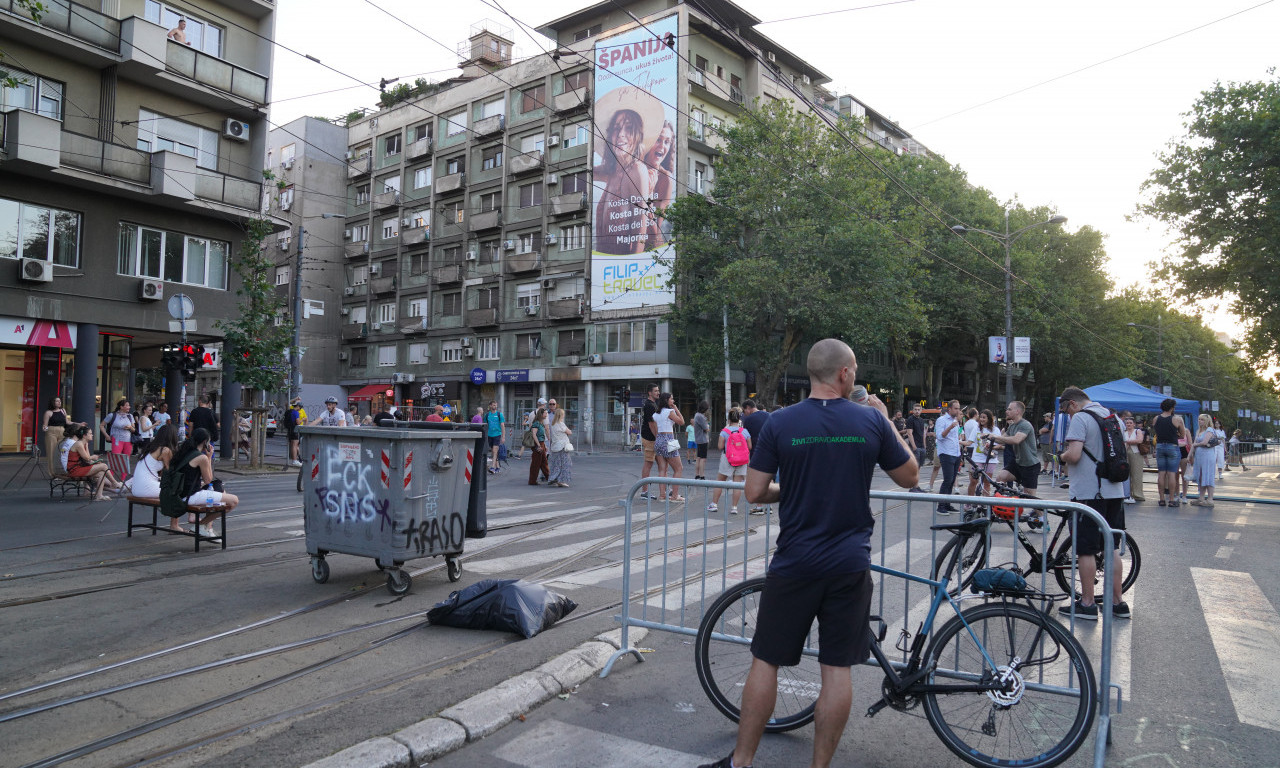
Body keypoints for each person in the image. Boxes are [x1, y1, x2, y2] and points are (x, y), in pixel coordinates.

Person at [698, 339, 917, 768]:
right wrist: (885, 420)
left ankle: (741, 762)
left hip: (795, 560)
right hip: (849, 564)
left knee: (766, 661)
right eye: (853, 369)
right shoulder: (869, 421)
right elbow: (910, 476)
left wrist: (790, 489)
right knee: (837, 670)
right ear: (844, 374)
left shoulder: (781, 423)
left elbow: (756, 491)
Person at [1057, 387, 1129, 620]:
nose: (1067, 415)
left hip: (1089, 493)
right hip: (1114, 491)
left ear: (1073, 404)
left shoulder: (1080, 418)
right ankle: (1117, 603)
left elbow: (1075, 454)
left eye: (1066, 410)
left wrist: (1062, 456)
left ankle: (1087, 603)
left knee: (1085, 549)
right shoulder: (1113, 417)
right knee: (1111, 547)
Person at [594, 105, 653, 255]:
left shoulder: (637, 170)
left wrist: (634, 268)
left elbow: (640, 230)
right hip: (603, 269)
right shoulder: (612, 171)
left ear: (637, 135)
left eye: (628, 128)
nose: (621, 134)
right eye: (616, 128)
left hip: (625, 269)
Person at [174, 427, 239, 538]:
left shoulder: (184, 453)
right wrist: (209, 457)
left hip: (181, 495)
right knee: (233, 501)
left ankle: (205, 527)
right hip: (192, 496)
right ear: (205, 442)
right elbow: (209, 479)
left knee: (218, 500)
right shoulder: (201, 457)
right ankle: (201, 525)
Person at [130, 424, 185, 532]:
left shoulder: (151, 447)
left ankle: (176, 524)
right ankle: (174, 525)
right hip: (145, 488)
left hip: (136, 487)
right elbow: (170, 472)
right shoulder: (165, 450)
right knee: (178, 492)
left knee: (173, 489)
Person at [990, 401, 1041, 498]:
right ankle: (1002, 506)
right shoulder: (1012, 426)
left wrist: (995, 437)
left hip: (1030, 465)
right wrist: (989, 438)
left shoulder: (1025, 425)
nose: (1006, 411)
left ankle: (1040, 513)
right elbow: (1001, 439)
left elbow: (1017, 440)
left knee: (1030, 496)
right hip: (1018, 463)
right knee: (1000, 478)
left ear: (1017, 411)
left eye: (1009, 409)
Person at [707, 408, 751, 513]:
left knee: (720, 482)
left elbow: (720, 446)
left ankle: (714, 504)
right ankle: (734, 508)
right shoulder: (744, 431)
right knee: (737, 484)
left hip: (727, 459)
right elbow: (749, 446)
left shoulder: (724, 432)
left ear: (728, 420)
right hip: (742, 460)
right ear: (739, 419)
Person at [65, 425, 125, 500]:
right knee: (103, 466)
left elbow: (88, 460)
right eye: (90, 433)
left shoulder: (84, 443)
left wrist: (95, 462)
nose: (92, 435)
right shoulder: (79, 444)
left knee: (102, 473)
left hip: (79, 468)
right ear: (84, 435)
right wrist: (93, 457)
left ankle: (99, 496)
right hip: (74, 470)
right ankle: (114, 483)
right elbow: (87, 458)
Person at [652, 392, 686, 501]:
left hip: (659, 440)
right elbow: (681, 422)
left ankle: (662, 495)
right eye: (672, 399)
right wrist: (676, 409)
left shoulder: (656, 414)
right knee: (678, 468)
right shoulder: (669, 412)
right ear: (666, 400)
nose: (673, 401)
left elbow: (657, 429)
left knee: (662, 469)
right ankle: (675, 495)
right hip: (668, 440)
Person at [740, 399, 771, 514]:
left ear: (748, 407)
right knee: (769, 478)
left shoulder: (748, 420)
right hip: (770, 450)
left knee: (757, 478)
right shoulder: (769, 415)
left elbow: (746, 438)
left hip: (756, 451)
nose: (744, 413)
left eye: (744, 411)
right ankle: (769, 506)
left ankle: (759, 507)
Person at [933, 400, 963, 514]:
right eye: (956, 408)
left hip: (955, 453)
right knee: (948, 480)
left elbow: (954, 438)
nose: (958, 410)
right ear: (949, 409)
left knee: (951, 481)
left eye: (959, 408)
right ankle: (941, 506)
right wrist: (950, 426)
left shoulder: (956, 421)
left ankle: (947, 504)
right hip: (946, 453)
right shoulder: (942, 420)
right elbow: (940, 436)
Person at [965, 409, 1000, 500]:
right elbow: (969, 442)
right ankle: (969, 502)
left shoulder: (995, 430)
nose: (982, 419)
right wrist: (958, 442)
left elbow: (1000, 444)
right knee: (973, 481)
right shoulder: (976, 428)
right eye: (980, 417)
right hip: (977, 459)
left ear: (989, 419)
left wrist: (991, 447)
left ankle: (985, 505)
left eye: (984, 417)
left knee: (987, 482)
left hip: (990, 459)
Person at [1151, 398, 1181, 506]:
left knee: (1161, 473)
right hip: (1172, 446)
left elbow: (1157, 432)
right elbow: (1182, 435)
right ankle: (1172, 499)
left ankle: (1162, 499)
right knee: (1172, 473)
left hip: (1159, 446)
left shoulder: (1156, 419)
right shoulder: (1177, 419)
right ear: (1172, 408)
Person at [102, 398, 137, 476]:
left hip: (128, 441)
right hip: (117, 439)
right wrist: (107, 436)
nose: (129, 407)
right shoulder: (112, 415)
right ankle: (110, 480)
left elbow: (134, 430)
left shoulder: (130, 416)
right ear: (121, 407)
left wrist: (130, 428)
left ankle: (122, 481)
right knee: (115, 459)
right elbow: (101, 425)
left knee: (126, 460)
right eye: (127, 405)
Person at [1190, 413, 1217, 507]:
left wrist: (1196, 445)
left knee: (1208, 476)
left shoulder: (1209, 430)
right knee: (1201, 476)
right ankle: (1201, 498)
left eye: (1202, 420)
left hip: (1207, 456)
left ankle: (1210, 499)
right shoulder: (1198, 431)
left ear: (1206, 421)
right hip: (1199, 456)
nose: (1199, 421)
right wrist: (1190, 456)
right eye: (1199, 419)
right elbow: (1194, 444)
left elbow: (1204, 442)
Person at [638, 385, 659, 498]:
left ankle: (665, 489)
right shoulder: (650, 405)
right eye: (655, 391)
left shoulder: (652, 404)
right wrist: (657, 437)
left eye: (658, 390)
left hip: (651, 437)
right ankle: (644, 491)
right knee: (648, 463)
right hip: (650, 438)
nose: (658, 392)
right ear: (650, 393)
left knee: (661, 464)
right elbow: (651, 424)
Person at [42, 397, 71, 474]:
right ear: (53, 402)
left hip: (62, 431)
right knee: (52, 452)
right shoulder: (48, 412)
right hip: (52, 432)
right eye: (57, 401)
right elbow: (45, 425)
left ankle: (62, 471)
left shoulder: (63, 410)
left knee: (62, 452)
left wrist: (79, 424)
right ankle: (53, 473)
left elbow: (67, 422)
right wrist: (44, 428)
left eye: (60, 401)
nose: (59, 402)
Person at [546, 407, 574, 488]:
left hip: (555, 447)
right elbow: (569, 432)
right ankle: (561, 481)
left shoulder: (553, 424)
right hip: (562, 447)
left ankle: (552, 478)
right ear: (561, 415)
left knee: (556, 464)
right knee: (566, 464)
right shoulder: (561, 424)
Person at [1122, 414, 1146, 503]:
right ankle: (1127, 493)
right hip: (1125, 453)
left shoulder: (1137, 431)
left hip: (1136, 453)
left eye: (1130, 423)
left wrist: (1126, 442)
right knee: (1126, 474)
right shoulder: (1123, 432)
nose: (1128, 424)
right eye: (1127, 423)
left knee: (1136, 474)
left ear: (1134, 424)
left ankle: (1137, 494)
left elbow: (1139, 440)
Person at [527, 407, 549, 485]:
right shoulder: (536, 423)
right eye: (545, 413)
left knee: (544, 462)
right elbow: (534, 434)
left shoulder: (541, 423)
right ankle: (532, 481)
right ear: (541, 414)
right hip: (538, 444)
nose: (547, 414)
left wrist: (544, 445)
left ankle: (549, 478)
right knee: (536, 463)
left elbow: (541, 435)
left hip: (541, 443)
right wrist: (539, 445)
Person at [903, 404, 927, 471]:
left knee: (919, 466)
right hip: (915, 446)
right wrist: (914, 446)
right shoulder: (910, 419)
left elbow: (923, 434)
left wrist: (924, 445)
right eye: (915, 409)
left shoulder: (922, 420)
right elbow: (909, 433)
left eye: (918, 410)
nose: (917, 411)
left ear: (921, 411)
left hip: (922, 446)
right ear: (913, 410)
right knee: (914, 465)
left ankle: (915, 480)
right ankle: (910, 480)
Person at [484, 401, 505, 474]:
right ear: (490, 406)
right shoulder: (487, 415)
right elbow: (485, 426)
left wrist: (503, 436)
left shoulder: (500, 415)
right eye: (493, 405)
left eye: (496, 405)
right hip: (490, 435)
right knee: (493, 451)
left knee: (495, 451)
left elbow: (502, 425)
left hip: (497, 434)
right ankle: (498, 467)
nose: (495, 406)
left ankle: (492, 467)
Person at [693, 401, 710, 480]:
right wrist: (707, 425)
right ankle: (702, 475)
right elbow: (706, 429)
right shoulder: (701, 416)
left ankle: (697, 474)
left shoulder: (697, 415)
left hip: (698, 439)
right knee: (703, 458)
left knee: (698, 457)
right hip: (703, 439)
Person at [1176, 415, 1192, 504]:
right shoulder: (1173, 430)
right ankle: (1177, 495)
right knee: (1175, 475)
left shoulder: (1186, 431)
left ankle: (1184, 495)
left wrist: (1190, 455)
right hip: (1175, 450)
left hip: (1184, 451)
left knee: (1184, 475)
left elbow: (1190, 443)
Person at [284, 398, 303, 467]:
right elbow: (298, 422)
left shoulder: (289, 411)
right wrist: (302, 419)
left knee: (292, 445)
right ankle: (295, 461)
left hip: (289, 430)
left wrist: (295, 399)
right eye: (300, 408)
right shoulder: (296, 412)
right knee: (295, 445)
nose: (300, 409)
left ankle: (295, 460)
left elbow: (286, 403)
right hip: (295, 430)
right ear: (298, 406)